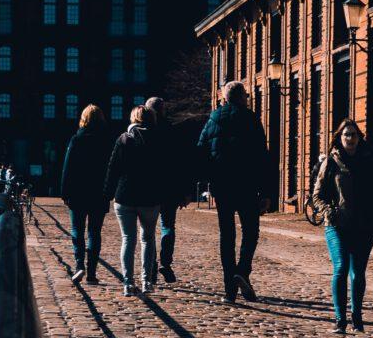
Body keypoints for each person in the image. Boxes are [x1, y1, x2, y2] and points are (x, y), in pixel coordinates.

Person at [196, 81, 272, 305]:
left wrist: (209, 179)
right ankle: (242, 270)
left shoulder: (213, 119)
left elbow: (200, 152)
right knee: (251, 231)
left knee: (226, 235)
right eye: (246, 96)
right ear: (240, 97)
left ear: (224, 98)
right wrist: (266, 191)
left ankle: (230, 288)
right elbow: (263, 157)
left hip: (222, 187)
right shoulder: (251, 119)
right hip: (248, 186)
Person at [313, 119, 373, 334]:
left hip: (363, 225)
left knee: (358, 273)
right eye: (346, 135)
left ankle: (357, 316)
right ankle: (340, 318)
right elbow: (317, 195)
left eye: (353, 134)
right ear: (339, 138)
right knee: (341, 267)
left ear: (359, 138)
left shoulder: (369, 162)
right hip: (337, 225)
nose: (350, 138)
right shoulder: (331, 162)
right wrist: (328, 212)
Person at [104, 104, 166, 296]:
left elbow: (112, 169)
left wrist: (107, 194)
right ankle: (147, 282)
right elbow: (165, 171)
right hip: (150, 197)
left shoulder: (124, 139)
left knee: (128, 239)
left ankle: (128, 283)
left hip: (125, 196)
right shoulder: (158, 139)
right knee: (148, 239)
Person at [60, 104, 110, 286]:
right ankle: (92, 273)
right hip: (99, 193)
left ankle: (79, 264)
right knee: (94, 233)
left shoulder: (76, 140)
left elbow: (68, 167)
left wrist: (64, 192)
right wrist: (109, 191)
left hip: (78, 193)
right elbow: (110, 169)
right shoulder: (106, 140)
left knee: (77, 231)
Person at [145, 95, 189, 284]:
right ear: (163, 110)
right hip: (170, 189)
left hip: (149, 188)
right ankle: (165, 262)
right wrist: (184, 191)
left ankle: (152, 265)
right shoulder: (172, 131)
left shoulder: (144, 132)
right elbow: (181, 164)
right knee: (168, 226)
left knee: (148, 229)